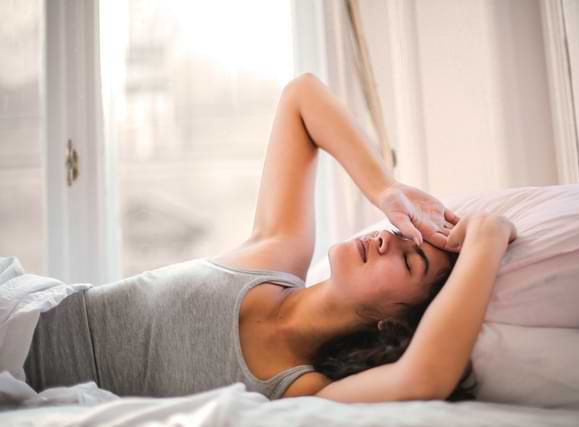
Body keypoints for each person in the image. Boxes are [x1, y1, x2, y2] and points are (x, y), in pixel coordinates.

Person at [23, 73, 517, 403]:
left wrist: (487, 237)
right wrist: (385, 188)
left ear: (392, 324)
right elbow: (301, 96)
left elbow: (425, 376)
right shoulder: (276, 254)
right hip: (22, 310)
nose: (391, 238)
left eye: (410, 262)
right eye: (403, 232)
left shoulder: (298, 389)